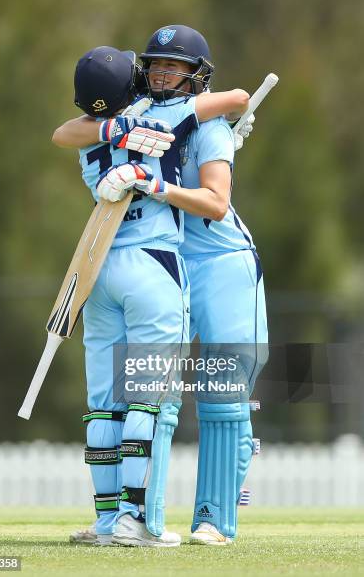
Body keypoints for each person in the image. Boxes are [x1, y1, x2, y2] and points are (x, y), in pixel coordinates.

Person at [52, 37, 250, 547]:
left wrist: (111, 125)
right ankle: (134, 520)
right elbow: (235, 97)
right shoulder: (160, 120)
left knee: (103, 404)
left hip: (100, 268)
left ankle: (103, 519)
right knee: (144, 397)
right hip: (154, 263)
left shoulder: (92, 138)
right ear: (135, 82)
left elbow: (61, 133)